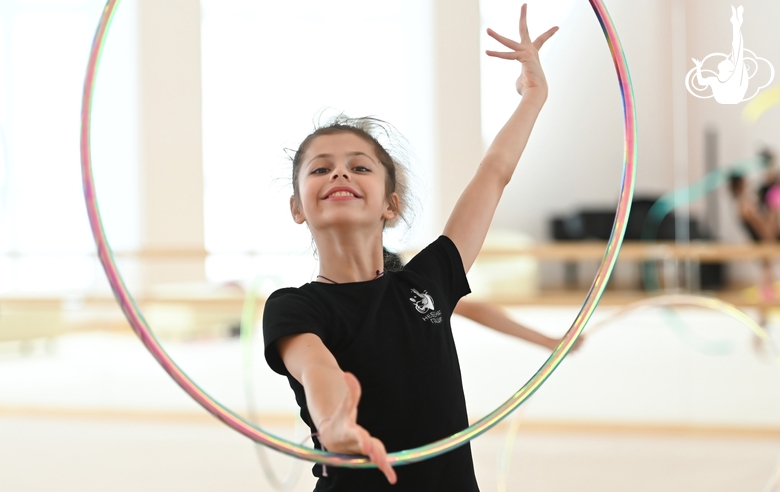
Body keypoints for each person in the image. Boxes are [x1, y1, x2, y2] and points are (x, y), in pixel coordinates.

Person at [263, 5, 557, 490]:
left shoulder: (428, 279)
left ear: (390, 205)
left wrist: (533, 98)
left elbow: (493, 175)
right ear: (298, 208)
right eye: (320, 168)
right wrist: (335, 422)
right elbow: (315, 367)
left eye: (359, 167)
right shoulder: (294, 307)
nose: (339, 173)